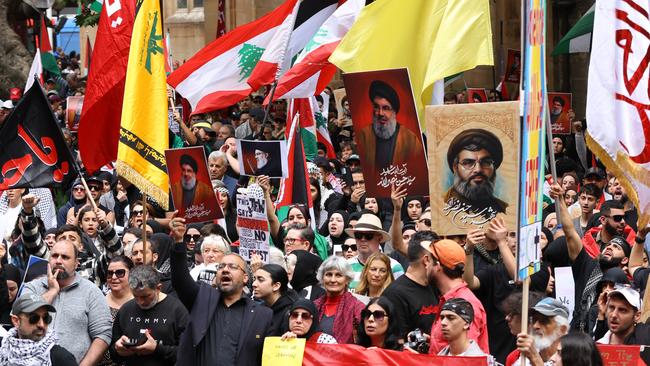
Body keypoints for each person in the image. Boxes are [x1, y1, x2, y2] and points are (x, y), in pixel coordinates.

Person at [169, 216, 273, 365]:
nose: (225, 270)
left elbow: (268, 356)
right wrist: (178, 241)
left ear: (245, 278)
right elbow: (180, 280)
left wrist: (287, 341)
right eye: (221, 267)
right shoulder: (202, 298)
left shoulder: (262, 314)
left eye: (232, 267)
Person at [550, 183, 637, 332]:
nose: (609, 247)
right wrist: (560, 200)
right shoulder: (586, 264)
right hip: (577, 335)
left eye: (616, 247)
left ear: (625, 260)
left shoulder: (627, 284)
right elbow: (570, 232)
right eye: (608, 245)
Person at [21, 239, 113, 364]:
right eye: (54, 256)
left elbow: (103, 335)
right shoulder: (32, 287)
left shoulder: (92, 292)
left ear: (76, 263)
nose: (58, 261)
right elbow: (23, 318)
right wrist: (52, 291)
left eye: (65, 257)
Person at [110, 265, 188, 366]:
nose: (140, 302)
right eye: (135, 296)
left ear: (158, 288)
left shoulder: (177, 310)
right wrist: (118, 350)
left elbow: (189, 353)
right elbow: (113, 352)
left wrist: (157, 349)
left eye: (145, 296)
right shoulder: (126, 310)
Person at [426, 239, 489, 355]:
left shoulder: (466, 302)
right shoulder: (450, 298)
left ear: (438, 266)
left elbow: (466, 356)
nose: (425, 265)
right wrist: (433, 342)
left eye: (428, 260)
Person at [355, 80, 424, 174]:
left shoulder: (410, 139)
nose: (380, 113)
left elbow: (419, 171)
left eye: (386, 108)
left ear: (394, 112)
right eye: (376, 107)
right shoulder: (364, 135)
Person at [382, 231, 439, 341]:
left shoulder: (434, 285)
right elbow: (396, 342)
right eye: (437, 259)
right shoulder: (394, 295)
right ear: (427, 260)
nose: (440, 264)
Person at [444, 129, 508, 221]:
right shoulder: (444, 207)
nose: (478, 170)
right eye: (468, 163)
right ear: (455, 167)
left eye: (486, 162)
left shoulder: (503, 209)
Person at [0, 293, 77, 365]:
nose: (41, 325)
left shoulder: (61, 358)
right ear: (16, 321)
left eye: (46, 318)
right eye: (34, 318)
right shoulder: (3, 348)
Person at [313, 255, 365, 344]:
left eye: (338, 275)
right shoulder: (314, 306)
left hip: (346, 356)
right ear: (322, 278)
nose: (333, 280)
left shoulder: (357, 307)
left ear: (347, 280)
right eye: (329, 274)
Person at [344, 213, 404, 289]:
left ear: (379, 238)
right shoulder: (345, 266)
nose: (363, 239)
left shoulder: (394, 267)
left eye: (368, 236)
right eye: (358, 235)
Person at [515, 297, 570, 366]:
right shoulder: (523, 356)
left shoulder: (572, 358)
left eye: (544, 321)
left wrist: (534, 358)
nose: (535, 326)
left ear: (562, 329)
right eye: (534, 319)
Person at [100, 256, 134, 366]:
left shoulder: (140, 303)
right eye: (110, 273)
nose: (113, 277)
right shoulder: (98, 301)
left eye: (120, 273)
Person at [252, 264, 298, 336]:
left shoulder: (291, 312)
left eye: (260, 280)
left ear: (276, 286)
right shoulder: (259, 309)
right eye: (254, 279)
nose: (254, 284)